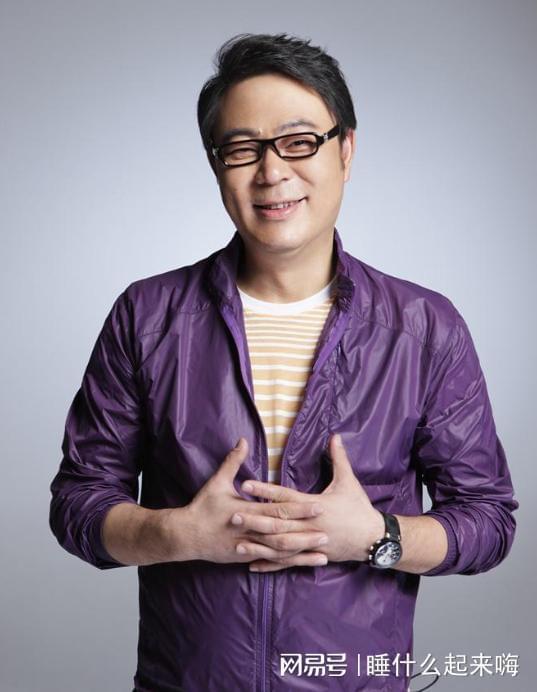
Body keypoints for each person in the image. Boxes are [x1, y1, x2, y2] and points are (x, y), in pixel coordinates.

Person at [49, 33, 518, 692]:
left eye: (299, 142)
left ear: (345, 150)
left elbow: (487, 520)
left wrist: (375, 536)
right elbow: (78, 502)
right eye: (242, 149)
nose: (271, 172)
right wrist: (177, 533)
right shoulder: (148, 317)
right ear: (216, 166)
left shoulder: (423, 329)